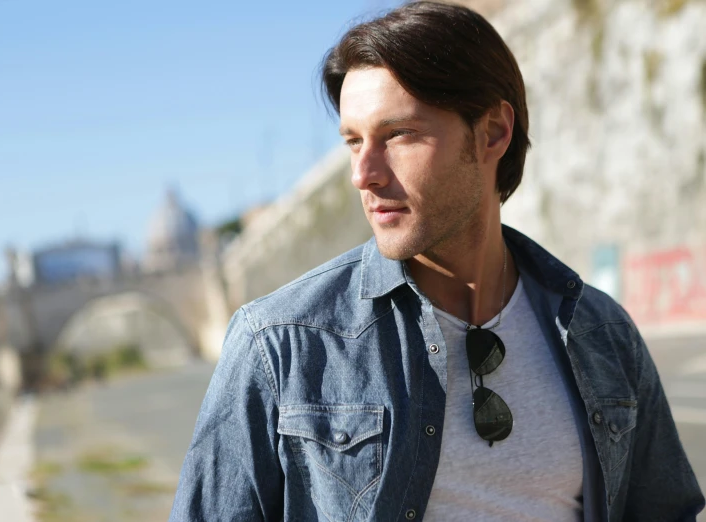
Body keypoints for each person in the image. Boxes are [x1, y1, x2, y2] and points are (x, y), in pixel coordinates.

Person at [169, 2, 704, 521]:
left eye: (398, 135)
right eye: (354, 142)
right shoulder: (279, 343)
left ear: (493, 133)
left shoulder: (604, 335)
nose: (364, 174)